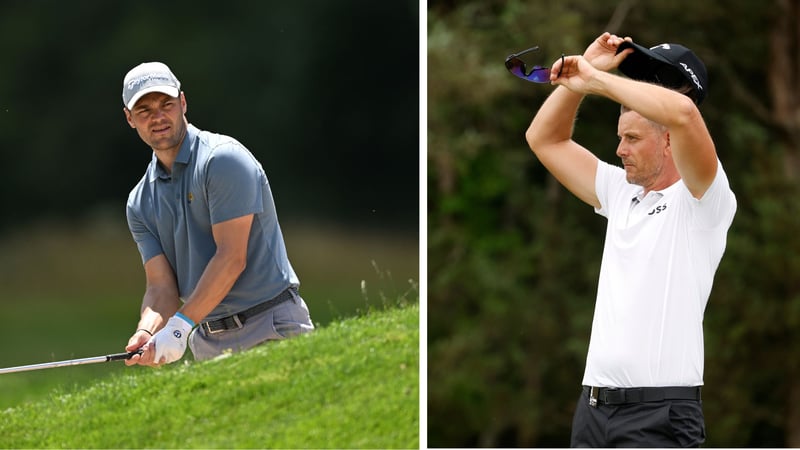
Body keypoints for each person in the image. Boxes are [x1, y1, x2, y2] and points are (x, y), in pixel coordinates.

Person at [525, 33, 737, 447]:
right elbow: (544, 139)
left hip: (660, 416)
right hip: (592, 411)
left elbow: (683, 114)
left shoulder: (705, 199)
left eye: (633, 139)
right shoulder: (621, 192)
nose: (620, 150)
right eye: (621, 137)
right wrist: (584, 73)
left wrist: (596, 82)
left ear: (670, 140)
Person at [119, 62, 314, 367]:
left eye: (166, 104)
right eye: (144, 110)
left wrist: (180, 327)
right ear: (130, 118)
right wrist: (147, 331)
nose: (157, 117)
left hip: (271, 325)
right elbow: (161, 287)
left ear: (183, 103)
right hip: (208, 344)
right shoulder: (139, 202)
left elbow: (231, 257)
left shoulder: (221, 159)